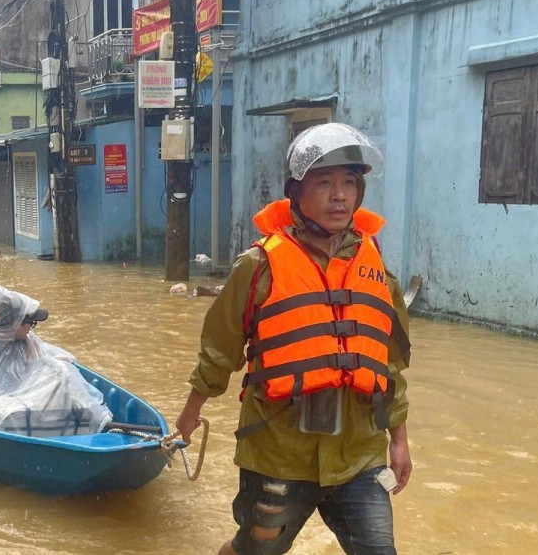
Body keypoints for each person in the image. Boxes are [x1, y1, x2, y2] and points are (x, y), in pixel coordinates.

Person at [174, 123, 412, 555]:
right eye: (324, 184)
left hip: (358, 455)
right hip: (279, 453)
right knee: (253, 550)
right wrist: (191, 413)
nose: (339, 195)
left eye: (348, 183)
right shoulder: (258, 266)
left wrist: (399, 440)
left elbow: (389, 362)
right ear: (296, 195)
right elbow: (220, 349)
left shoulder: (375, 268)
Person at [0, 286, 110, 435]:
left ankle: (95, 419)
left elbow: (49, 360)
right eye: (30, 323)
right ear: (16, 323)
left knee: (60, 370)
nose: (32, 328)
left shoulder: (24, 339)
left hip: (15, 397)